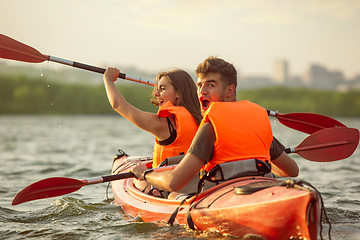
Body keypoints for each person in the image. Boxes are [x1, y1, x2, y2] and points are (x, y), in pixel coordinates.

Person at [130, 56, 299, 193]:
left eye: (210, 85)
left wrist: (144, 174)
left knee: (173, 194)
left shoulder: (210, 128)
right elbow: (291, 170)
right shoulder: (257, 122)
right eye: (199, 85)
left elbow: (174, 182)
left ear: (230, 90)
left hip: (223, 198)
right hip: (263, 191)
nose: (202, 91)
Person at [103, 68, 202, 168]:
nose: (156, 93)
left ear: (178, 93)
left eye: (162, 89)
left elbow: (118, 105)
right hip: (198, 179)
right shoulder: (201, 116)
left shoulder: (163, 124)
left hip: (168, 180)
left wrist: (108, 79)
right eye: (157, 88)